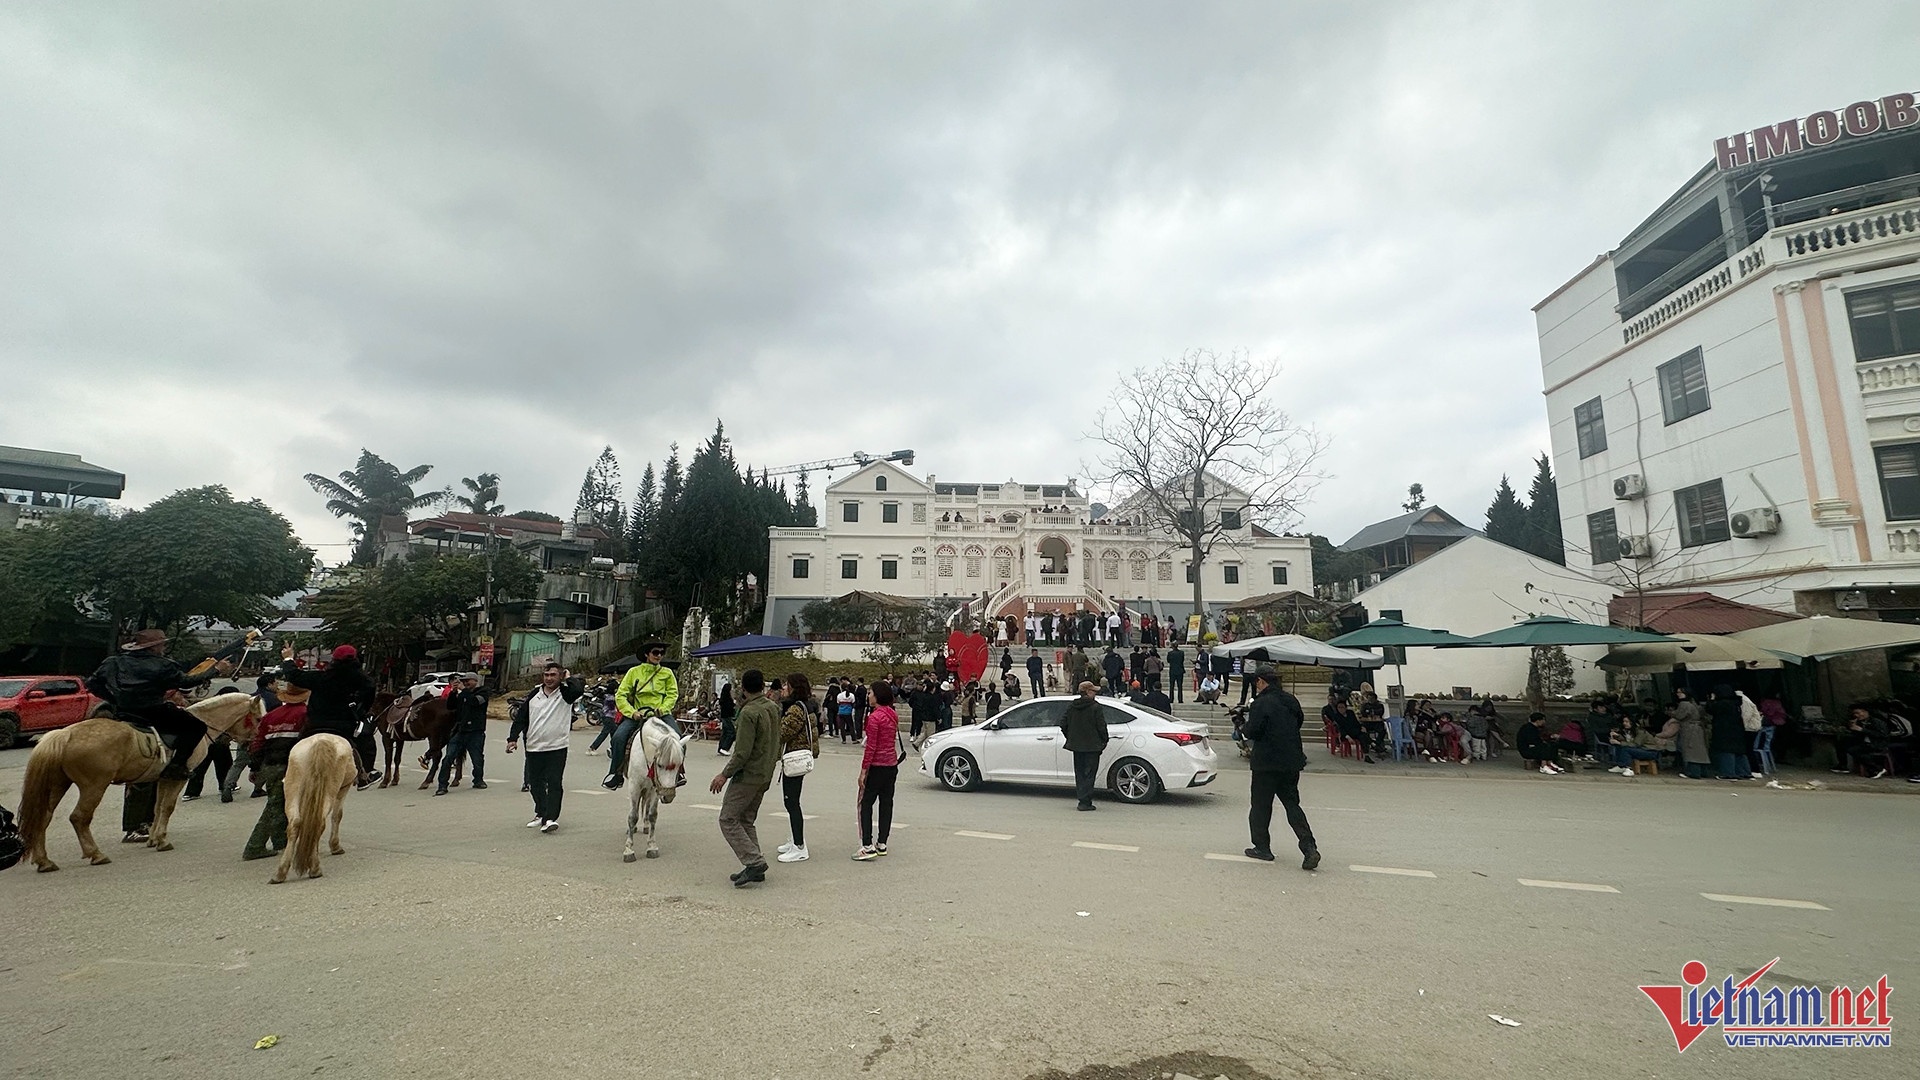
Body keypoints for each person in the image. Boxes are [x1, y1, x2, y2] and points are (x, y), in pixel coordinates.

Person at [86, 628, 229, 779]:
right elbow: (187, 683)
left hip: (122, 711)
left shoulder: (113, 662)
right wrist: (216, 670)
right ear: (154, 647)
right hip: (153, 712)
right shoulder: (164, 665)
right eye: (162, 645)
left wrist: (114, 700)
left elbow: (92, 684)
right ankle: (176, 766)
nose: (164, 648)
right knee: (197, 726)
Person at [1239, 664, 1319, 870]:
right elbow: (1298, 722)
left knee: (1260, 806)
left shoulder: (1260, 703)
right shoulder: (1290, 700)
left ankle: (1262, 848)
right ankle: (1309, 847)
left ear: (1261, 681)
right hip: (1291, 760)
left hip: (1266, 763)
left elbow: (1253, 731)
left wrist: (1242, 724)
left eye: (1256, 682)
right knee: (1292, 805)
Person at [712, 668, 779, 887]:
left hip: (748, 775)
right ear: (763, 686)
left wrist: (724, 775)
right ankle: (754, 863)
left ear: (743, 688)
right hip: (765, 772)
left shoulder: (749, 712)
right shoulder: (772, 708)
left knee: (728, 818)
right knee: (746, 819)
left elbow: (742, 752)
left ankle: (754, 861)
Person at [279, 644, 378, 790]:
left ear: (334, 660)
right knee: (367, 744)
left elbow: (294, 675)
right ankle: (366, 774)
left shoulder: (320, 677)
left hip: (315, 725)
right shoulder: (366, 682)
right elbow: (366, 705)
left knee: (295, 746)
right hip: (345, 727)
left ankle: (288, 774)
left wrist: (288, 657)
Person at [507, 661, 584, 832]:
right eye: (546, 675)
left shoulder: (566, 694)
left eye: (553, 675)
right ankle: (541, 813)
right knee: (535, 784)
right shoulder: (535, 694)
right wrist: (512, 738)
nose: (549, 679)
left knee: (554, 782)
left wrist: (569, 678)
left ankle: (550, 818)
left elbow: (578, 690)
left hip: (557, 746)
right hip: (534, 747)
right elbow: (521, 717)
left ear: (561, 676)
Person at [241, 679, 309, 861]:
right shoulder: (305, 714)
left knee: (278, 802)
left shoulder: (271, 715)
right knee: (275, 806)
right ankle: (254, 846)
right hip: (290, 766)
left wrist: (254, 767)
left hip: (269, 765)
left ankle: (280, 841)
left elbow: (257, 742)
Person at [604, 643, 680, 790]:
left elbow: (672, 694)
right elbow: (621, 695)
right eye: (655, 652)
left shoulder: (668, 673)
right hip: (637, 715)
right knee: (618, 738)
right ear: (647, 654)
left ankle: (678, 773)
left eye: (662, 652)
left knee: (678, 738)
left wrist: (663, 709)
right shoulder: (633, 672)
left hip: (661, 715)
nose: (659, 655)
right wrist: (632, 712)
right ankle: (616, 773)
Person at [772, 673, 820, 864]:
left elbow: (782, 733)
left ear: (793, 687)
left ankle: (800, 847)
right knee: (792, 801)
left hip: (794, 758)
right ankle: (794, 840)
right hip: (797, 757)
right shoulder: (804, 705)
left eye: (786, 685)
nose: (783, 688)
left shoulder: (795, 710)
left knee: (791, 802)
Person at [854, 681, 900, 860]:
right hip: (891, 764)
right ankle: (882, 843)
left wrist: (863, 771)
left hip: (877, 766)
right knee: (886, 803)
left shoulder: (874, 717)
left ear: (878, 695)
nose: (868, 696)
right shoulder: (892, 714)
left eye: (870, 692)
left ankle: (867, 844)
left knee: (866, 804)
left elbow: (871, 747)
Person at [435, 674, 490, 795]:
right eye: (463, 681)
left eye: (467, 681)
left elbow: (474, 702)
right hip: (460, 731)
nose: (465, 683)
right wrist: (453, 692)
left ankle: (478, 780)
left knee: (477, 758)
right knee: (448, 757)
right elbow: (450, 706)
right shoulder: (462, 694)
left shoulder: (483, 692)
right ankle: (442, 785)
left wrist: (463, 691)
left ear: (475, 681)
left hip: (476, 731)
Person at [1060, 681, 1109, 811]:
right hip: (1093, 746)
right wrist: (1104, 740)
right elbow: (1101, 726)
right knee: (1090, 774)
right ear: (1087, 692)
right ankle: (1086, 801)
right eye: (1093, 691)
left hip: (1077, 746)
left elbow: (1063, 724)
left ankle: (1082, 799)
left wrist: (1070, 737)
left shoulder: (1072, 706)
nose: (1095, 693)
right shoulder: (1095, 707)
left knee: (1080, 773)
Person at [1706, 685, 1749, 781]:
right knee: (1739, 752)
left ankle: (1728, 773)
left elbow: (1710, 709)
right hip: (1737, 730)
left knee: (1726, 751)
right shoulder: (1736, 703)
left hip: (1724, 730)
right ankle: (1744, 772)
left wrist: (1711, 700)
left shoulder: (1722, 703)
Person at [1672, 690, 1710, 779]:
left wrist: (1672, 713)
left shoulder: (1684, 704)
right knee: (1701, 751)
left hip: (1689, 728)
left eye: (1680, 692)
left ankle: (1693, 772)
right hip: (1699, 728)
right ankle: (1703, 771)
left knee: (1691, 751)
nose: (1678, 694)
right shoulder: (1696, 704)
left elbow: (1680, 715)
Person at [717, 680, 738, 756]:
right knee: (731, 733)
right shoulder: (728, 700)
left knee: (725, 733)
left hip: (724, 717)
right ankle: (725, 748)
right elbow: (731, 709)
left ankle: (721, 748)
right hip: (727, 717)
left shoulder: (723, 699)